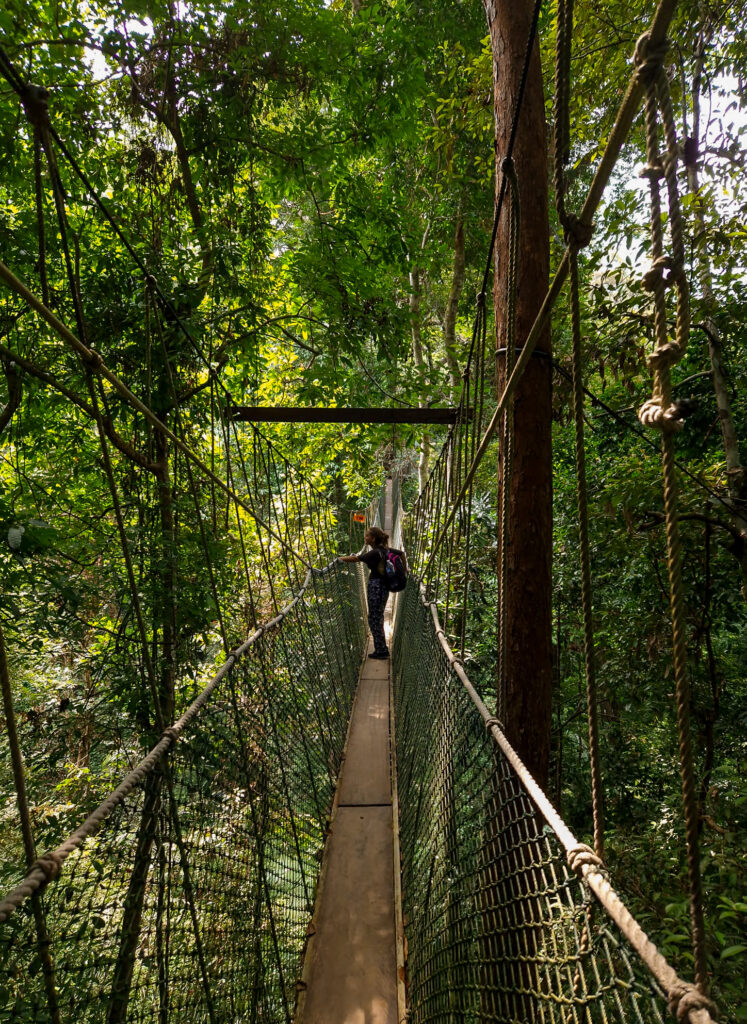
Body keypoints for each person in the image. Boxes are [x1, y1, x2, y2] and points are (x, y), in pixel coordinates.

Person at [338, 526, 408, 659]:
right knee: (377, 616)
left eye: (367, 536)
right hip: (383, 588)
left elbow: (356, 559)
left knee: (374, 618)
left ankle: (381, 651)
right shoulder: (385, 550)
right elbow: (401, 554)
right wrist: (404, 570)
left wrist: (339, 559)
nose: (365, 538)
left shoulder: (375, 553)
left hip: (376, 587)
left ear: (373, 538)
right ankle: (381, 649)